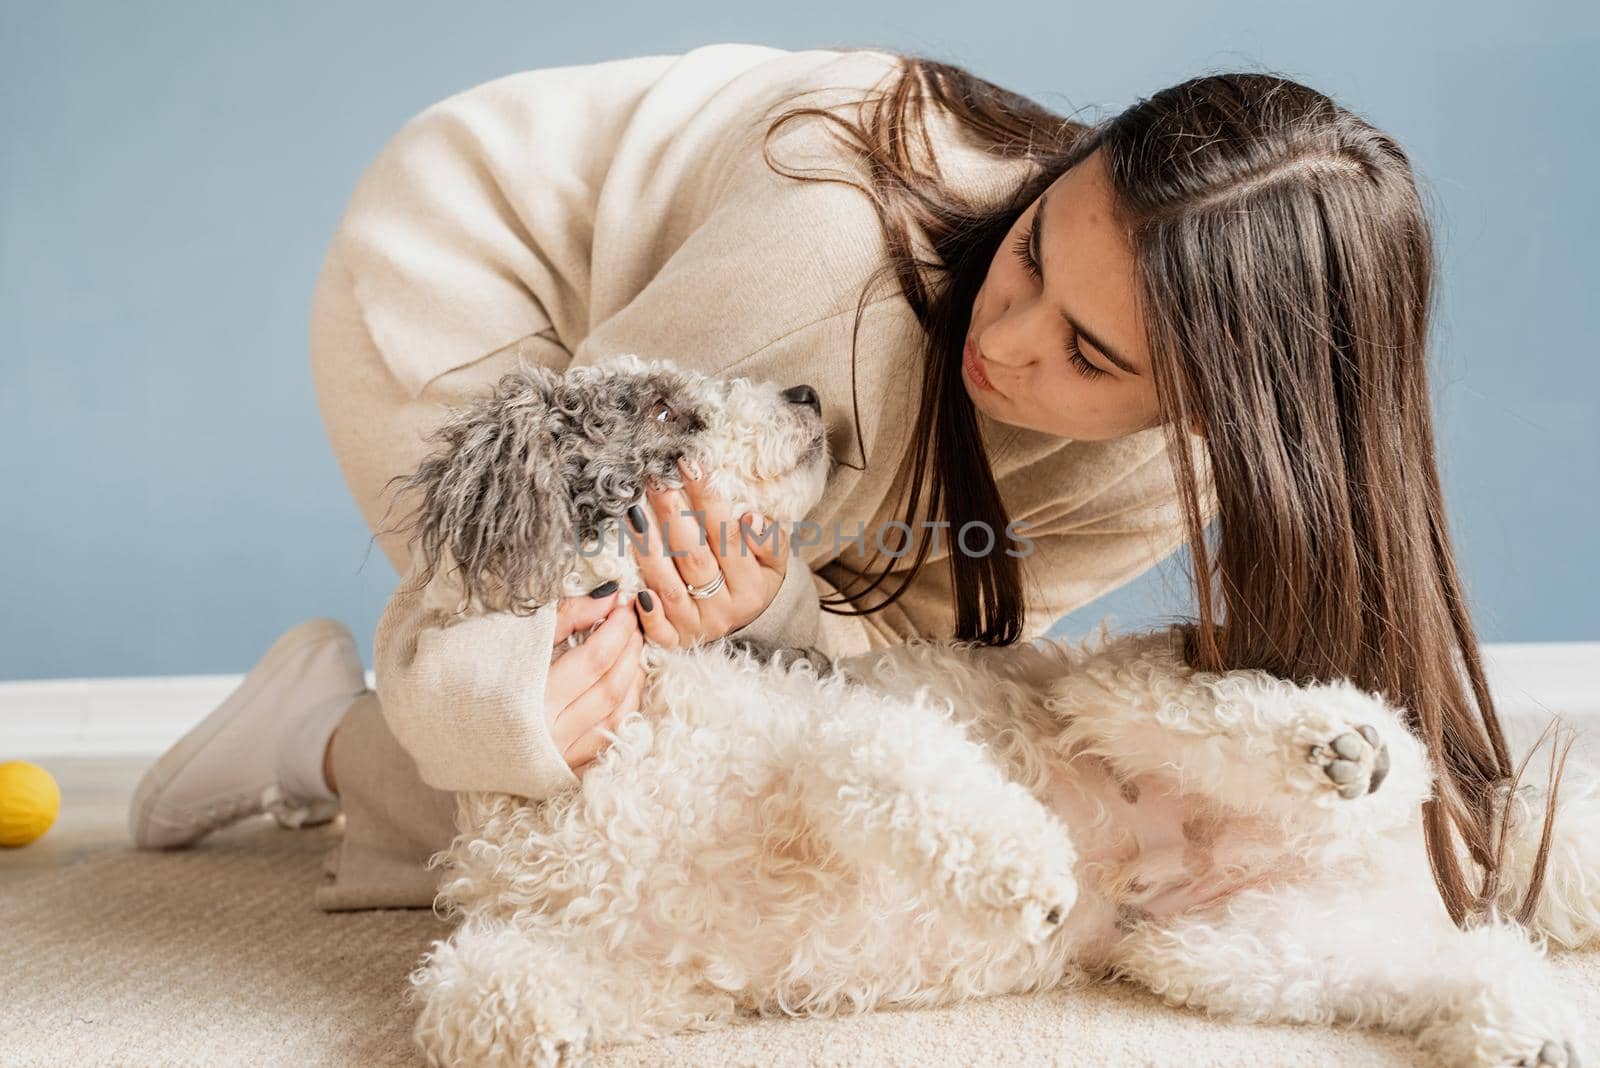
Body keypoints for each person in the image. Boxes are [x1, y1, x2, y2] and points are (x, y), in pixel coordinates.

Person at [128, 42, 1557, 927]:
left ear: (1210, 410)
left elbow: (922, 643)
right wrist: (504, 706)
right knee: (582, 765)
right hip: (478, 255)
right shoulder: (829, 266)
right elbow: (475, 594)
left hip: (719, 352)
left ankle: (353, 752)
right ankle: (311, 737)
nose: (1007, 339)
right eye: (1040, 249)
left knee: (740, 733)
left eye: (1089, 352)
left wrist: (778, 603)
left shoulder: (1164, 476)